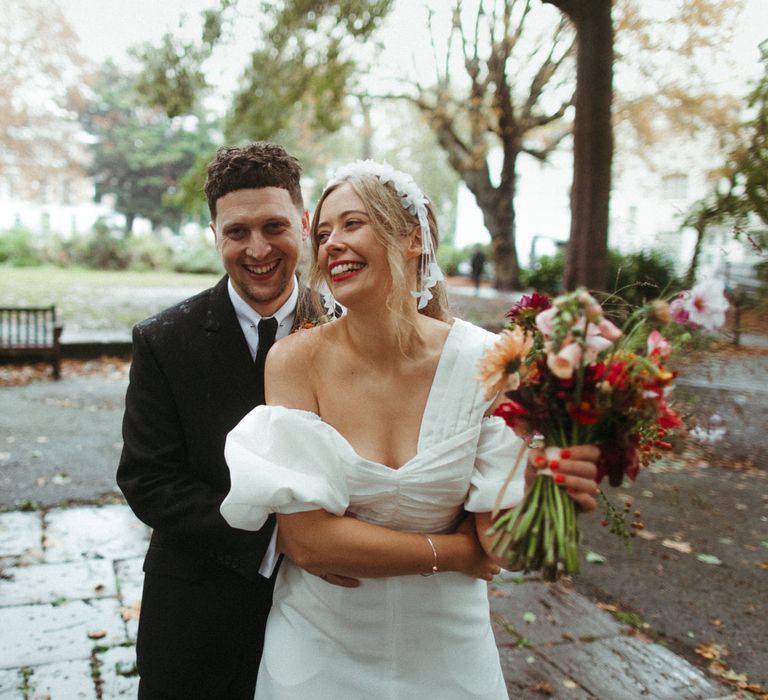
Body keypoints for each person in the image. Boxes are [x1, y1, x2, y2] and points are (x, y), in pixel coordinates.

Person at [220, 160, 601, 699]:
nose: (331, 245)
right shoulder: (293, 361)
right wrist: (458, 555)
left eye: (352, 224)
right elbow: (308, 541)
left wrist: (548, 491)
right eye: (323, 233)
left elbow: (503, 545)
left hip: (448, 656)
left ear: (413, 238)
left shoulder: (487, 360)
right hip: (319, 651)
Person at [116, 142, 331, 699]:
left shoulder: (347, 332)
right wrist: (281, 536)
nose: (257, 249)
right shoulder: (164, 340)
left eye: (274, 226)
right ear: (215, 234)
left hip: (329, 610)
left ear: (304, 224)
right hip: (197, 607)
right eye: (237, 232)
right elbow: (148, 480)